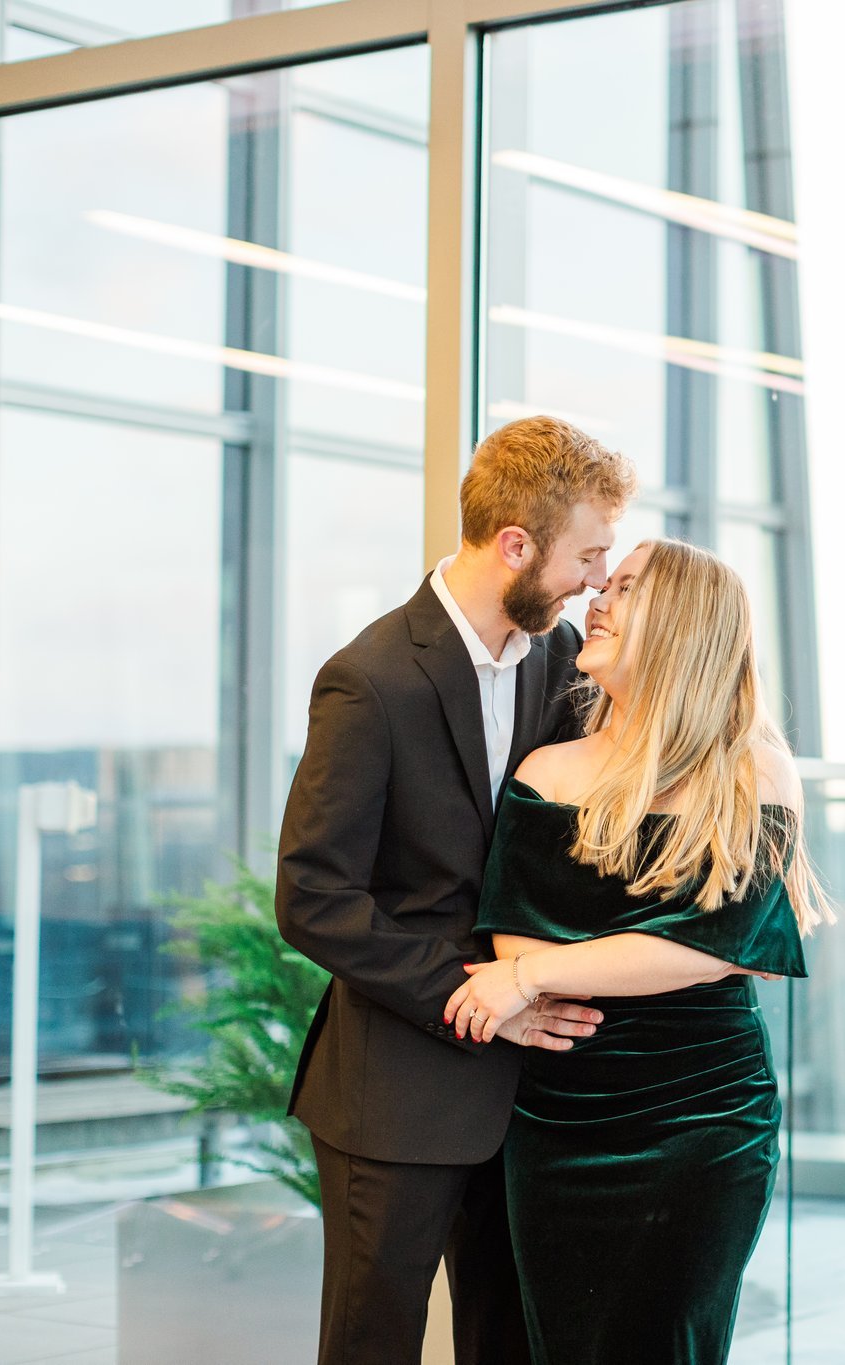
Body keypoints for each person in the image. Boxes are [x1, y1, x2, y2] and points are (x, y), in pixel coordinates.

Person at [275, 416, 636, 1365]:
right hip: (397, 1091)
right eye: (587, 555)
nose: (597, 579)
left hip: (538, 1098)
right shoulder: (369, 677)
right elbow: (314, 895)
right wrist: (478, 1000)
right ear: (516, 545)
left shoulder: (564, 664)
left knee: (512, 1342)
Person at [444, 537, 832, 1364]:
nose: (599, 599)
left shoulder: (753, 771)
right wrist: (539, 966)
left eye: (625, 588)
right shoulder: (546, 769)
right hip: (557, 1123)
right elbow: (518, 933)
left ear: (686, 625)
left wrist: (537, 973)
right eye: (605, 584)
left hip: (704, 1120)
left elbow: (719, 946)